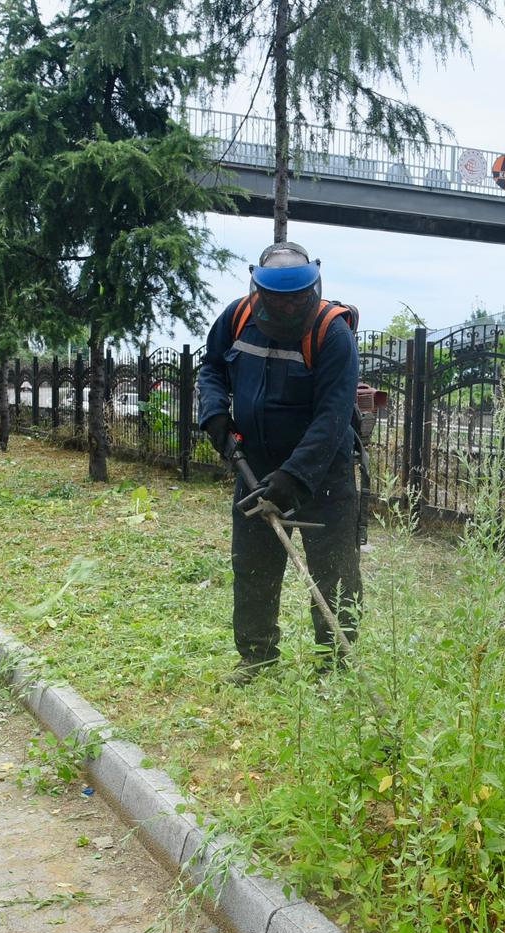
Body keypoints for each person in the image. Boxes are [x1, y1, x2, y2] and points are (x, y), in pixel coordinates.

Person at [197, 242, 363, 683]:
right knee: (253, 567)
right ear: (258, 291)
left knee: (335, 574)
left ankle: (335, 665)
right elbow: (211, 367)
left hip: (322, 473)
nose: (288, 307)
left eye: (297, 297)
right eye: (277, 298)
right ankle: (257, 658)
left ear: (313, 288)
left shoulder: (332, 334)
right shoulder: (237, 318)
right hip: (254, 466)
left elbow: (332, 419)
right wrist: (214, 413)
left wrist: (294, 477)